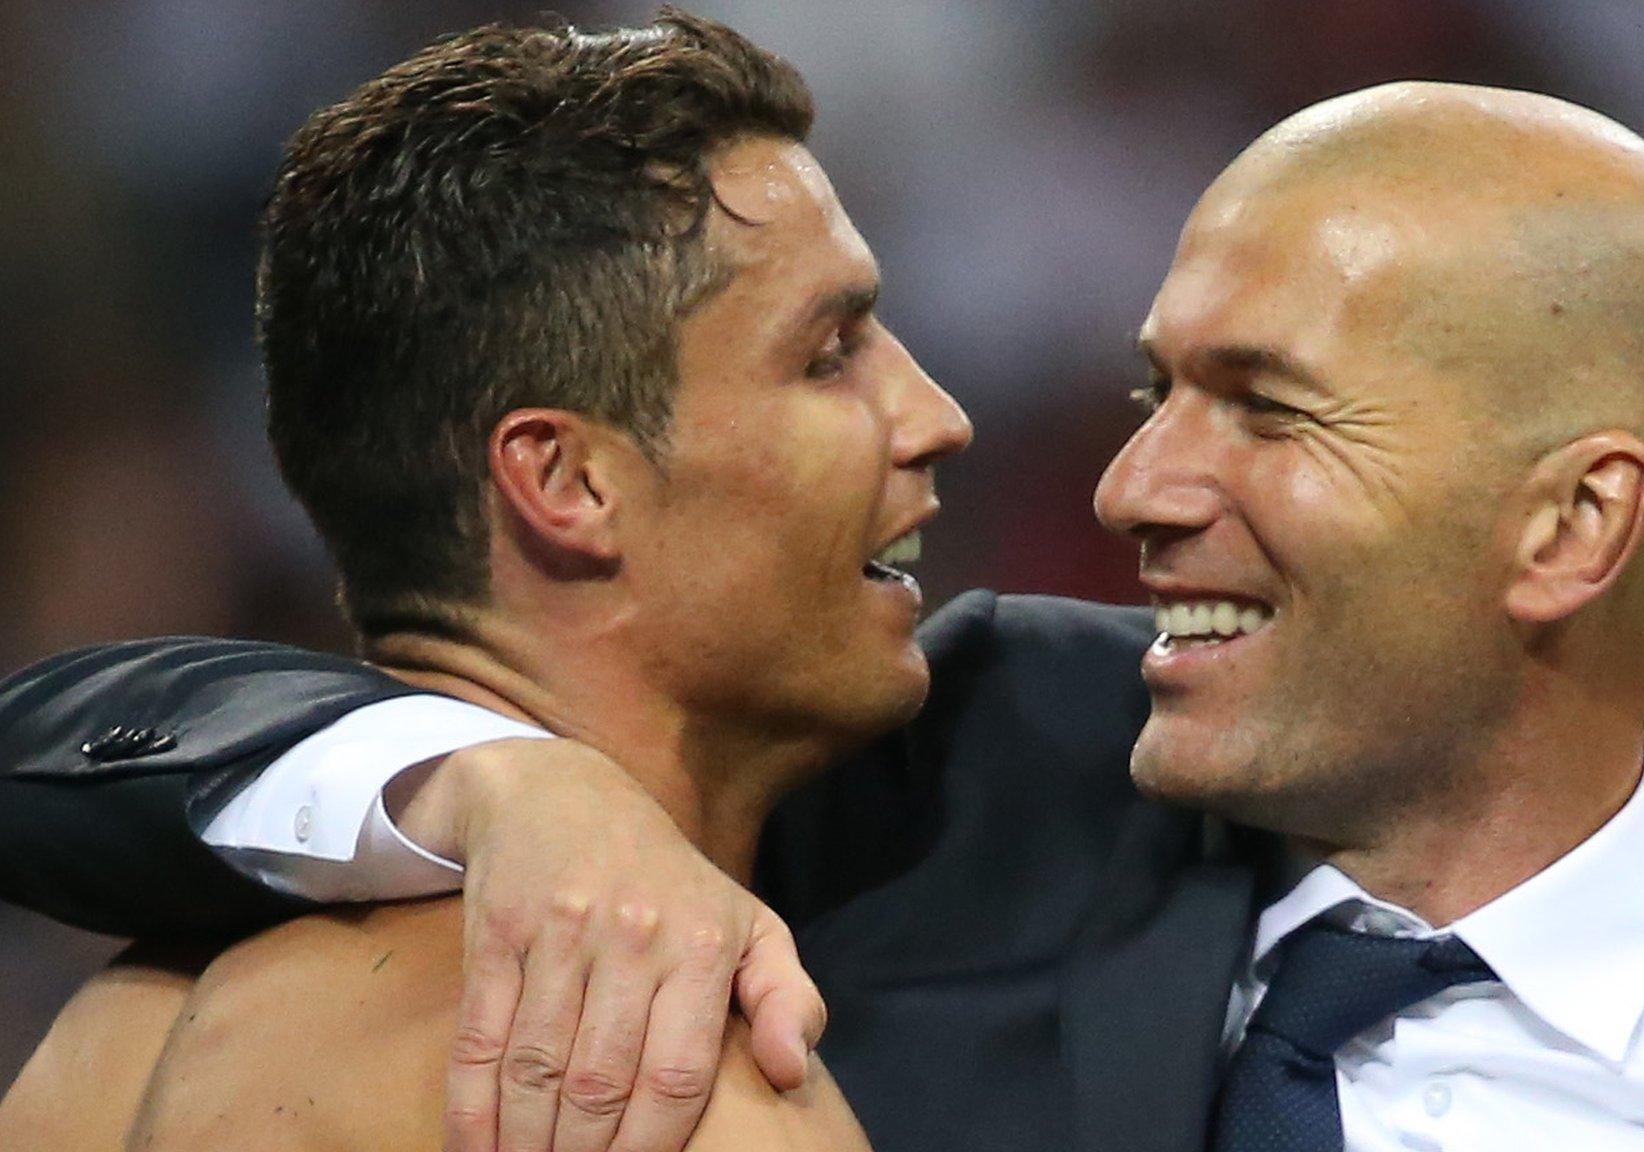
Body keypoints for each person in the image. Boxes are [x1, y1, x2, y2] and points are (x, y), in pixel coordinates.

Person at [7, 79, 1644, 1152]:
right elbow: (70, 746)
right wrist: (498, 785)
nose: (1126, 485)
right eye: (1159, 386)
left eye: (1260, 410)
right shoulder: (948, 767)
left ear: (1568, 528)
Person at [0, 11, 975, 1152]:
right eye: (826, 356)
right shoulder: (656, 1087)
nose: (935, 417)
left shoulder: (102, 1042)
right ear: (565, 479)